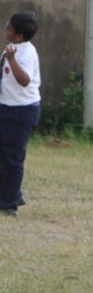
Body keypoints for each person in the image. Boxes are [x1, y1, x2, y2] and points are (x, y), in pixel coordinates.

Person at [0, 11, 41, 215]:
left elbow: (24, 80)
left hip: (21, 111)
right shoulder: (13, 49)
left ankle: (8, 204)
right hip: (6, 106)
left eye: (10, 27)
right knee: (4, 154)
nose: (6, 28)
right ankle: (12, 193)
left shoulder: (24, 54)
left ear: (19, 35)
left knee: (12, 157)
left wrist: (12, 60)